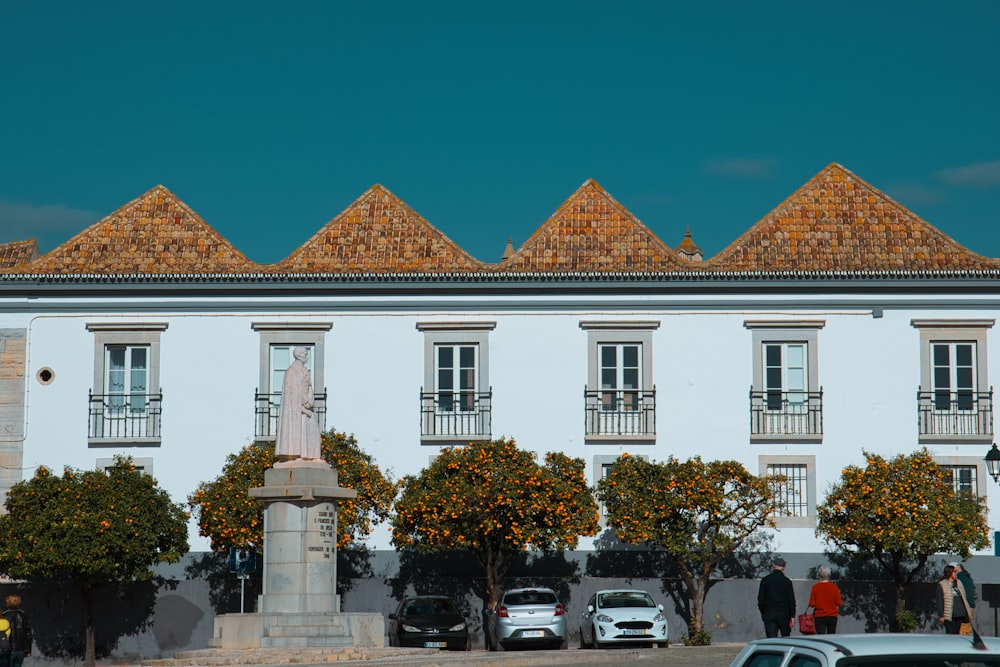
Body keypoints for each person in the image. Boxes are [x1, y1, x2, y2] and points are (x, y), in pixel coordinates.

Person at [275, 346, 322, 461]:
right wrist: (306, 402)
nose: (307, 356)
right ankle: (298, 455)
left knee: (312, 431)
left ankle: (310, 455)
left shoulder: (304, 370)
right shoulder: (292, 371)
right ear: (299, 355)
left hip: (307, 406)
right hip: (298, 408)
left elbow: (309, 386)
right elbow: (294, 391)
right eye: (305, 354)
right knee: (298, 430)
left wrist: (310, 400)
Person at [758, 557, 796, 637]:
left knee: (771, 640)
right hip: (784, 613)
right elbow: (791, 600)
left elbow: (761, 599)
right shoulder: (787, 581)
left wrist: (763, 612)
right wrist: (792, 615)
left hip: (770, 613)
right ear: (784, 568)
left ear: (773, 566)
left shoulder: (765, 580)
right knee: (785, 638)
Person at [807, 565, 843, 634]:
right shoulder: (834, 587)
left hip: (819, 616)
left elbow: (811, 604)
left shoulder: (815, 587)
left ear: (820, 574)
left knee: (821, 637)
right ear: (829, 575)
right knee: (831, 637)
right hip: (832, 616)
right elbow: (839, 603)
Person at [937, 564, 972, 634]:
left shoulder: (959, 583)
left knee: (957, 633)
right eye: (954, 572)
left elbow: (964, 598)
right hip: (950, 614)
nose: (956, 574)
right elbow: (939, 600)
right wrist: (941, 615)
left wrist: (967, 612)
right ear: (949, 573)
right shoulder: (942, 584)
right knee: (950, 633)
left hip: (960, 613)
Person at [2, 596, 30, 667]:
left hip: (7, 649)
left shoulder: (4, 616)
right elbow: (28, 634)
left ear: (7, 604)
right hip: (21, 649)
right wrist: (28, 650)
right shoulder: (24, 616)